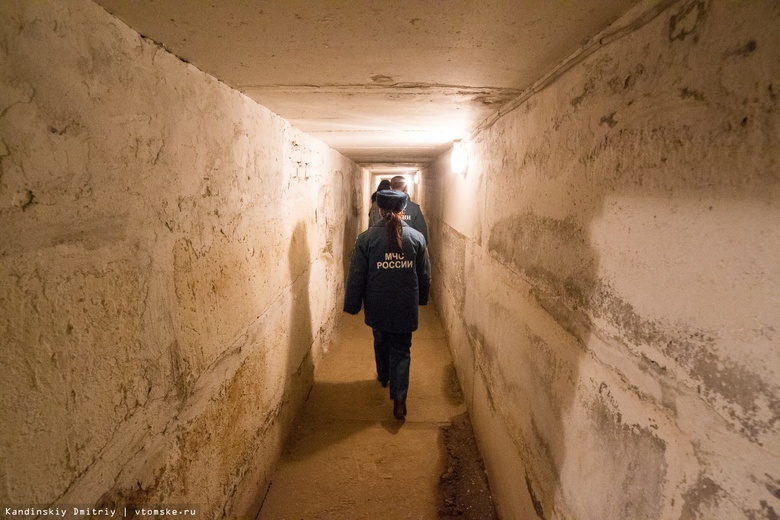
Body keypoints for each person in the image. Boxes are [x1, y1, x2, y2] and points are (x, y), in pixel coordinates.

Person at [344, 189, 431, 420]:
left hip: (378, 303)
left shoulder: (366, 239)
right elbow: (424, 274)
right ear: (403, 210)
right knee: (402, 350)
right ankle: (400, 400)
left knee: (380, 339)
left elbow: (357, 275)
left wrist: (353, 304)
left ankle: (384, 376)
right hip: (405, 305)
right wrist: (422, 299)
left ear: (380, 210)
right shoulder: (417, 239)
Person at [390, 175, 428, 242]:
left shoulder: (381, 208)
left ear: (390, 188)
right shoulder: (414, 208)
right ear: (406, 189)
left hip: (384, 249)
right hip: (409, 248)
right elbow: (422, 233)